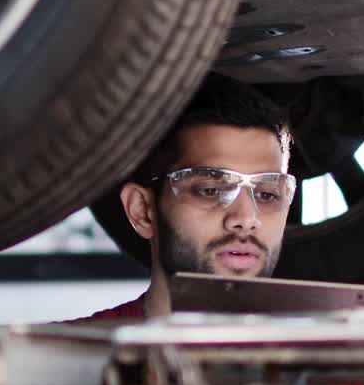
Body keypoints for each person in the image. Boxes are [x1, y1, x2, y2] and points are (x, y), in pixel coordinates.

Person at [79, 74, 294, 320]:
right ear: (142, 210)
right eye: (210, 191)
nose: (246, 218)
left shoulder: (328, 354)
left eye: (266, 194)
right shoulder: (60, 353)